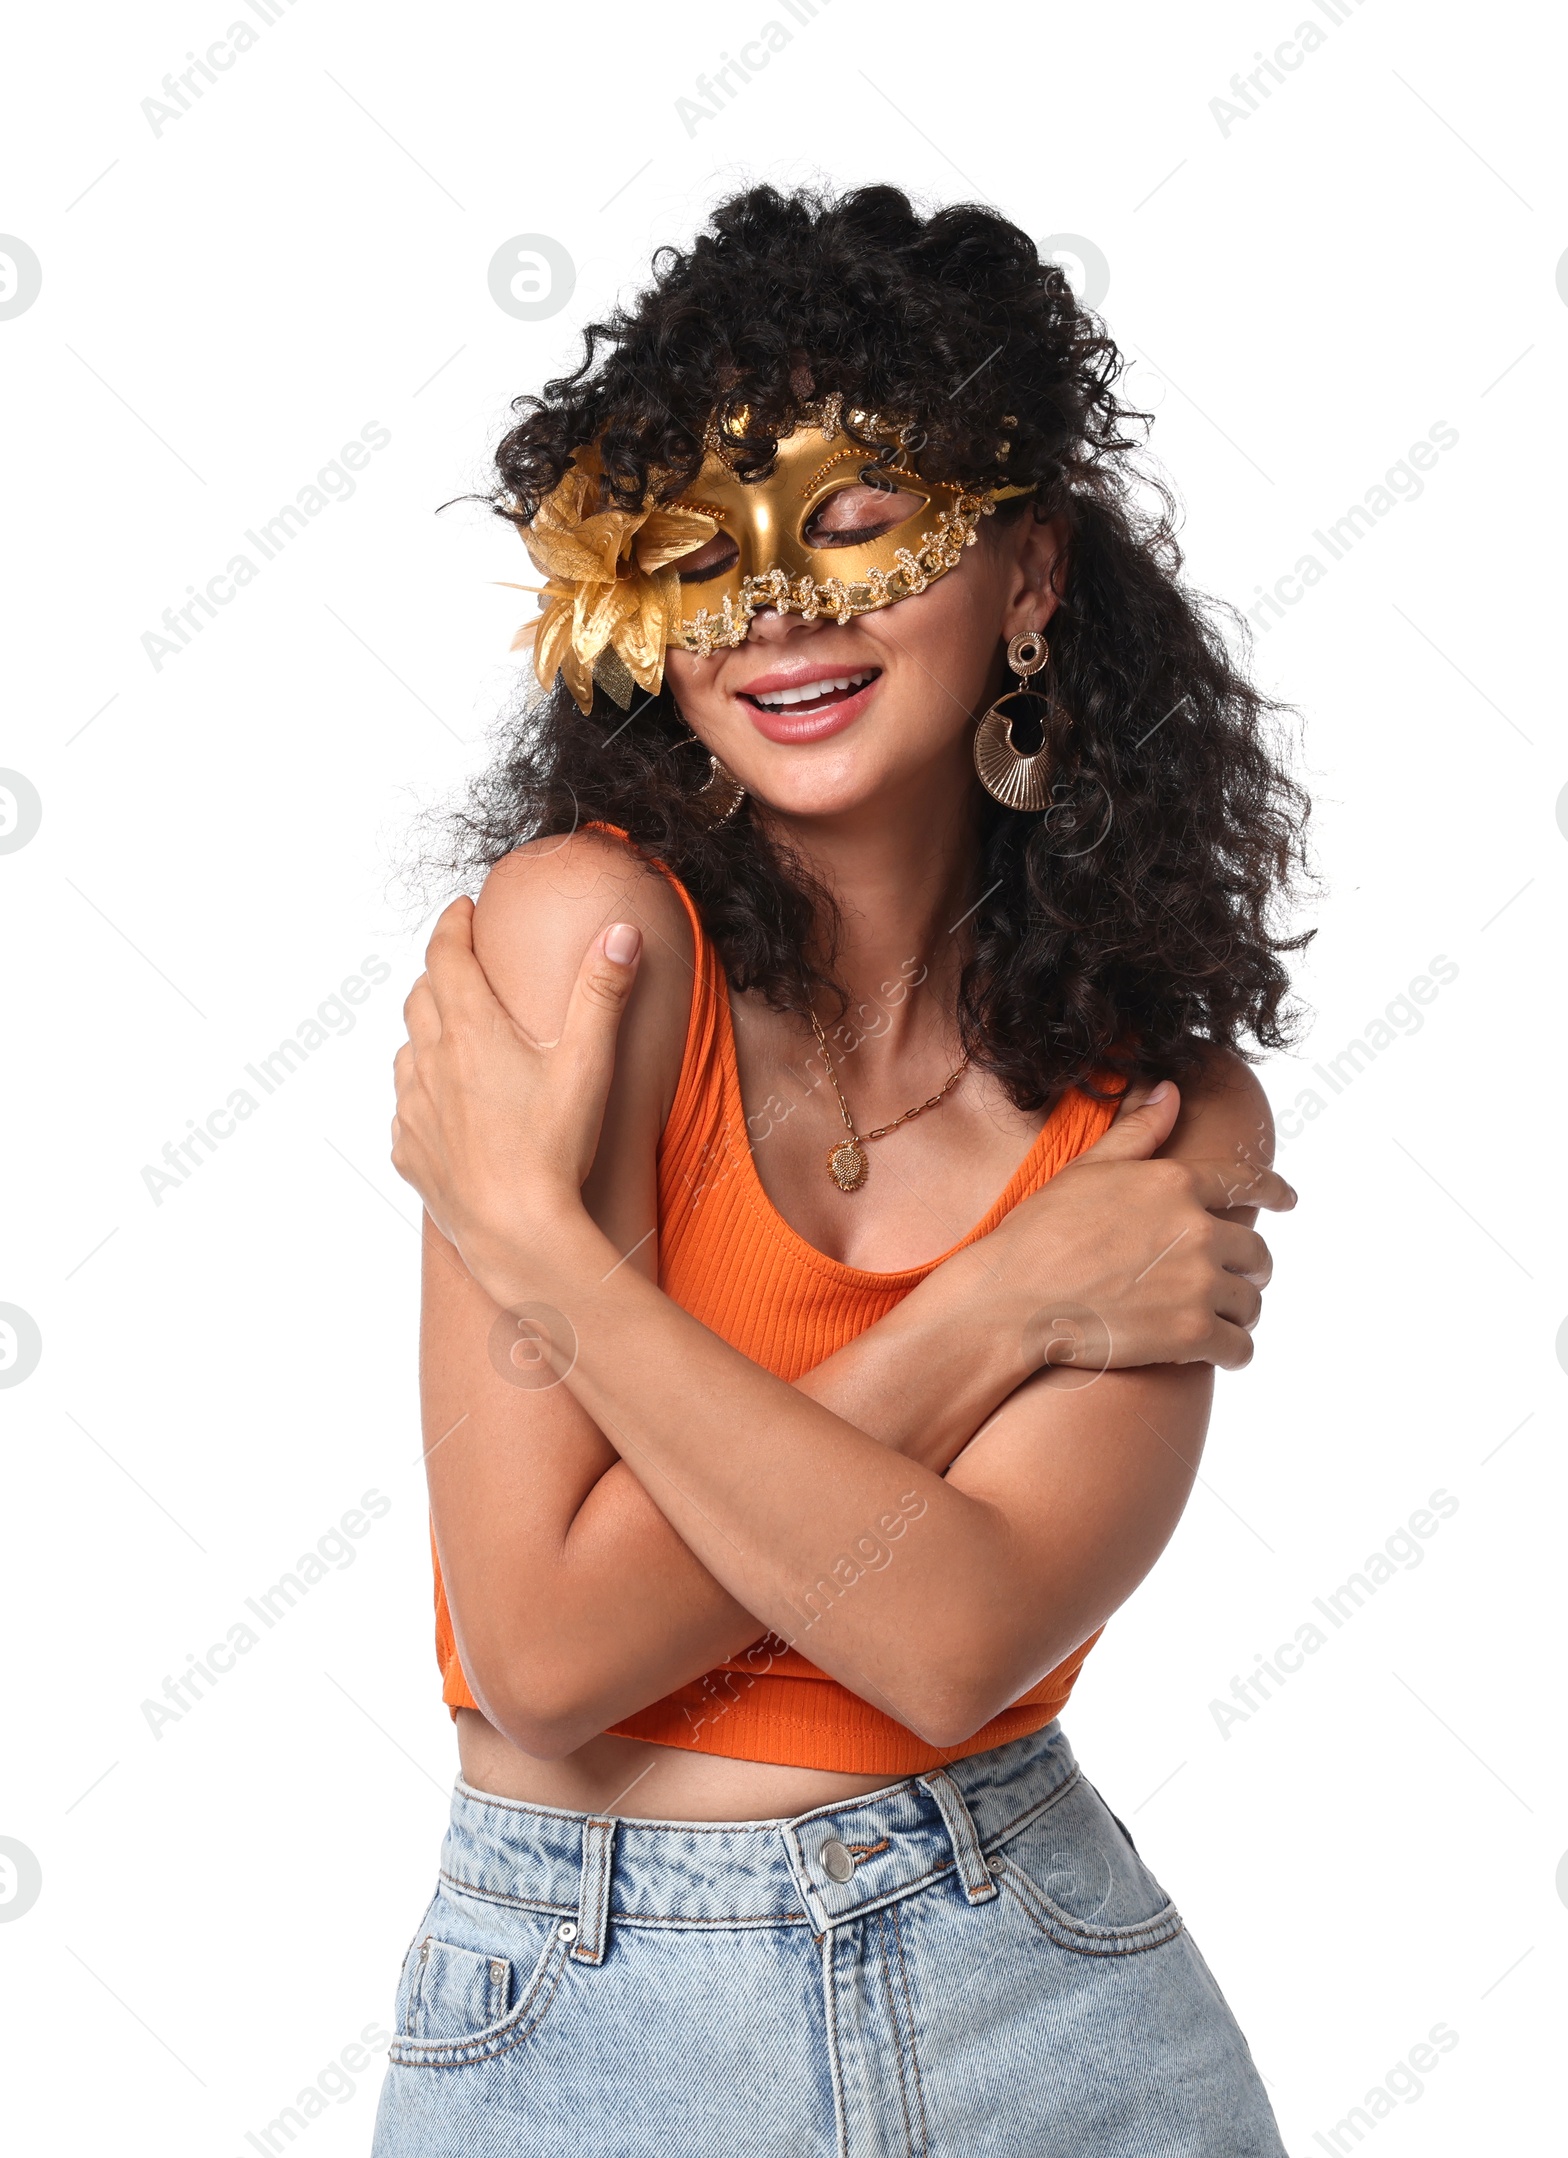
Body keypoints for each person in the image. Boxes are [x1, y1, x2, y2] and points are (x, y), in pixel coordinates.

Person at [376, 183, 1309, 2156]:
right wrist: (1003, 1303)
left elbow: (954, 1634)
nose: (776, 609)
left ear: (1023, 574)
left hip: (1042, 1995)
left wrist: (549, 1256)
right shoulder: (589, 948)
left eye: (857, 520)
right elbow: (544, 1653)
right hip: (588, 2004)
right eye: (696, 545)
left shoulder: (1158, 1117)